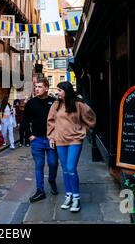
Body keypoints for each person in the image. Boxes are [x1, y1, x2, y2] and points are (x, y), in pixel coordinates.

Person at [47, 81, 96, 213]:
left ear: (66, 91)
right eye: (57, 90)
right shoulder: (56, 105)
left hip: (75, 140)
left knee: (71, 168)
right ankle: (68, 196)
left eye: (59, 90)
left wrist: (83, 129)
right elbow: (50, 121)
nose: (57, 92)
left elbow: (90, 117)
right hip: (60, 141)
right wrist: (51, 137)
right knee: (65, 169)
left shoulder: (78, 104)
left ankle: (76, 198)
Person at [22, 78, 59, 203]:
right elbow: (25, 121)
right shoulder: (31, 103)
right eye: (36, 87)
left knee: (53, 163)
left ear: (47, 88)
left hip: (51, 139)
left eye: (39, 87)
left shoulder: (54, 102)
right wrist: (30, 135)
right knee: (39, 165)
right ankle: (40, 190)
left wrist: (56, 135)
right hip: (37, 139)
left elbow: (60, 120)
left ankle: (52, 180)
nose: (37, 89)